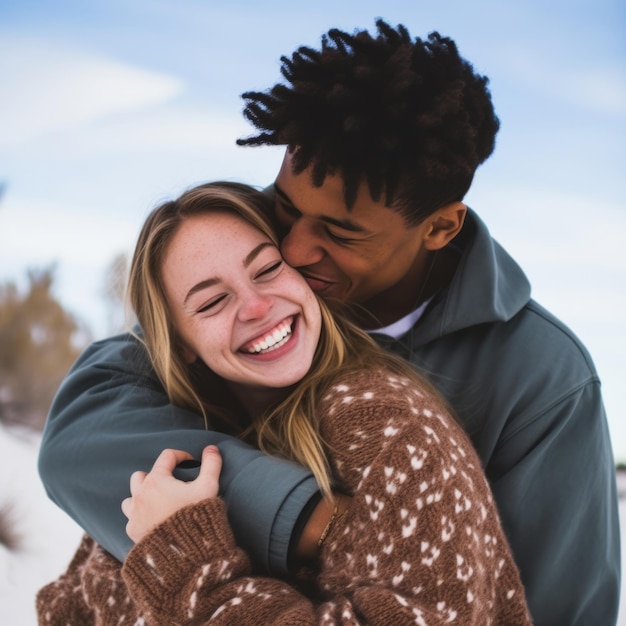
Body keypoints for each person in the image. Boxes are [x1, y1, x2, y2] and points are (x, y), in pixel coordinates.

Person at [38, 20, 620, 626]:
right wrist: (299, 514)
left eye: (340, 234)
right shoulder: (257, 274)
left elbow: (565, 608)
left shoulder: (543, 378)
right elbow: (84, 430)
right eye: (284, 208)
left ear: (440, 228)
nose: (294, 246)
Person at [36, 181, 531, 625]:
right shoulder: (191, 433)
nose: (255, 307)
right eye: (211, 302)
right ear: (179, 341)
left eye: (268, 269)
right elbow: (77, 600)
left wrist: (192, 573)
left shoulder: (387, 423)